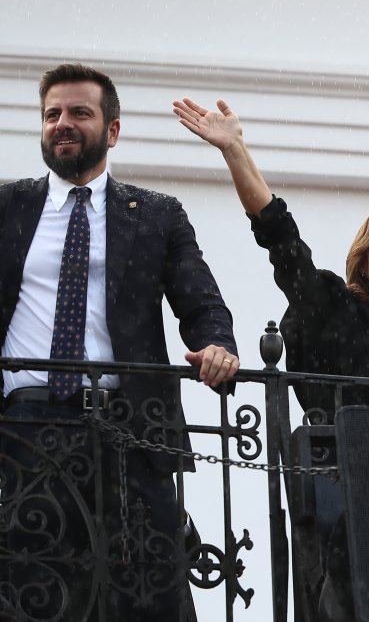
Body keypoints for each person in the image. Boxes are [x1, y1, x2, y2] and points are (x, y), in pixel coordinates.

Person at [173, 97, 369, 621]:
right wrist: (236, 152)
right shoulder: (334, 310)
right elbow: (283, 243)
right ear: (365, 258)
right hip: (351, 519)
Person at [0, 63, 238, 621]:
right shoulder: (7, 209)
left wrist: (216, 344)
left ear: (112, 130)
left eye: (80, 113)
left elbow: (201, 301)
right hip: (26, 434)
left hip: (127, 429)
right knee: (30, 596)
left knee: (147, 598)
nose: (63, 123)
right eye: (52, 114)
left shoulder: (156, 214)